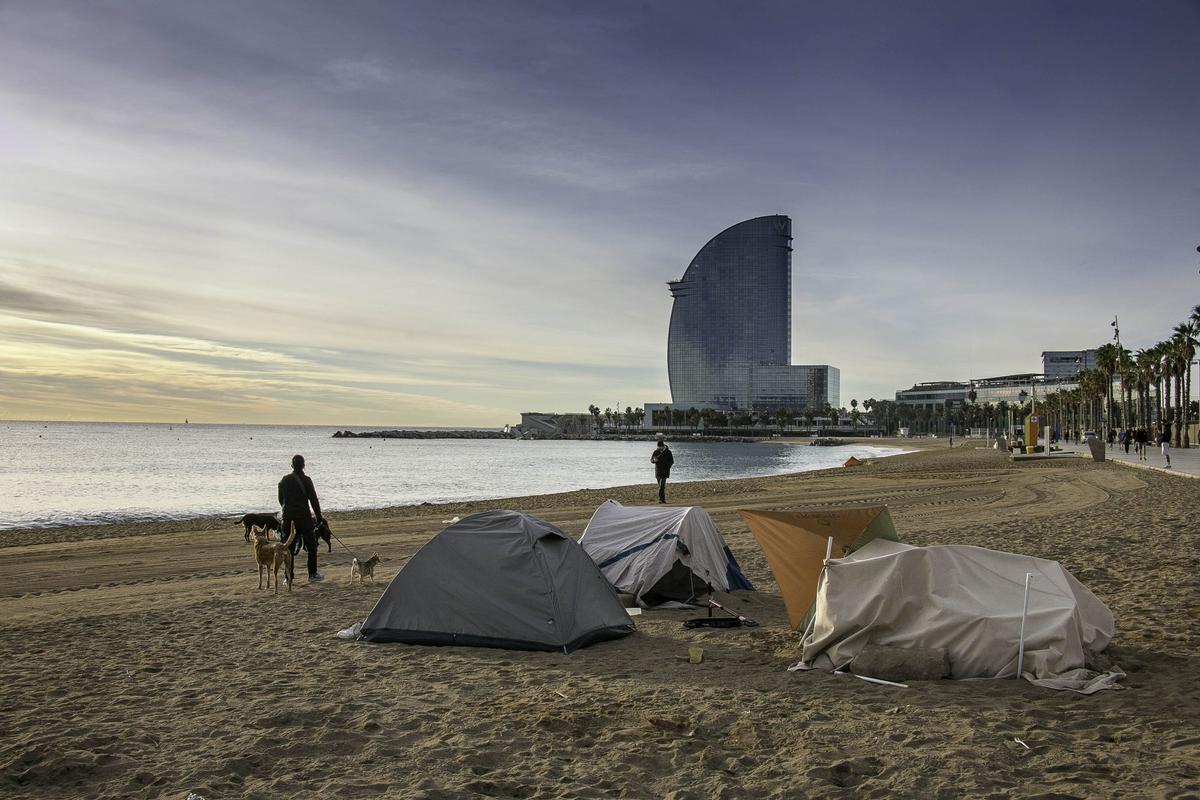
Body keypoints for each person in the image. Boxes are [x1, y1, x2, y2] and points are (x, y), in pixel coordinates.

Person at [279, 454, 324, 582]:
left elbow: (281, 500)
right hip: (304, 518)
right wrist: (319, 517)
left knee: (288, 548)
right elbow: (314, 500)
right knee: (311, 546)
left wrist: (287, 509)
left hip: (288, 519)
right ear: (303, 466)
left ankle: (288, 577)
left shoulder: (284, 480)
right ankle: (312, 574)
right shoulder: (307, 480)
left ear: (292, 465)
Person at [650, 436, 674, 504]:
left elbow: (672, 461)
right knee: (661, 486)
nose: (659, 448)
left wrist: (667, 467)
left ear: (663, 446)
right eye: (658, 447)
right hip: (658, 471)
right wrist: (654, 460)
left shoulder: (668, 452)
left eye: (660, 447)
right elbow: (651, 460)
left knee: (662, 485)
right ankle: (662, 499)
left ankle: (661, 500)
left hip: (665, 471)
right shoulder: (655, 452)